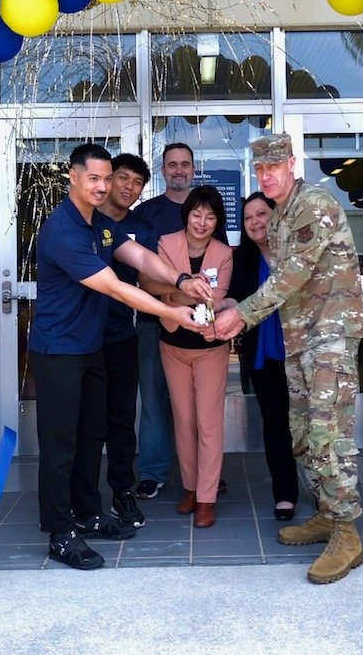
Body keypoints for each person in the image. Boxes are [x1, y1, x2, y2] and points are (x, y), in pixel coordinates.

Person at [30, 143, 212, 571]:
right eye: (93, 178)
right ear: (72, 177)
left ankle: (89, 513)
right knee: (61, 445)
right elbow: (112, 285)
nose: (102, 186)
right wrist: (171, 311)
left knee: (92, 435)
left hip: (90, 348)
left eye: (106, 179)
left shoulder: (99, 226)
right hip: (58, 351)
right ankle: (60, 532)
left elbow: (140, 257)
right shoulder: (64, 230)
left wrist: (182, 278)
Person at [214, 133, 363, 585]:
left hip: (331, 337)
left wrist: (240, 317)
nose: (267, 176)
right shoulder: (280, 215)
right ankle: (326, 512)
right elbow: (283, 284)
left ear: (292, 164)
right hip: (301, 339)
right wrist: (233, 309)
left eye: (274, 167)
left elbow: (291, 276)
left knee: (327, 431)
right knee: (301, 431)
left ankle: (347, 533)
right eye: (260, 169)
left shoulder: (312, 205)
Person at [131, 142, 225, 498]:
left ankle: (205, 476)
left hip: (200, 328)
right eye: (172, 164)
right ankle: (154, 471)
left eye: (185, 164)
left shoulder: (207, 213)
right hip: (153, 321)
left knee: (200, 410)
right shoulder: (147, 213)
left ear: (193, 168)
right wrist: (174, 296)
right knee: (154, 400)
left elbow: (219, 276)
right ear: (163, 169)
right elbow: (141, 271)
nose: (179, 170)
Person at [143, 186, 233, 529]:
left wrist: (176, 297)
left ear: (217, 221)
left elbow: (217, 298)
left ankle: (207, 498)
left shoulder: (224, 254)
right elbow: (150, 285)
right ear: (187, 215)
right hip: (172, 344)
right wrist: (180, 291)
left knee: (209, 423)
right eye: (196, 214)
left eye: (210, 216)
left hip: (209, 346)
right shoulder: (166, 243)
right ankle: (191, 488)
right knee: (183, 421)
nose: (202, 221)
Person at [220, 192, 300, 521]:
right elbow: (234, 299)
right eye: (248, 217)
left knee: (311, 424)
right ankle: (285, 494)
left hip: (302, 352)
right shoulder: (244, 259)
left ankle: (328, 493)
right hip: (265, 355)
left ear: (276, 217)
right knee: (276, 423)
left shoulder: (296, 253)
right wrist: (211, 310)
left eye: (261, 214)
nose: (254, 222)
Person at [96, 153, 157, 529]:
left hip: (120, 335)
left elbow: (148, 277)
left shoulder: (141, 228)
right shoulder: (85, 219)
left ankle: (122, 493)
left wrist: (183, 290)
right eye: (123, 177)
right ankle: (81, 499)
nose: (128, 187)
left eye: (136, 182)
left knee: (121, 421)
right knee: (85, 423)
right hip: (79, 339)